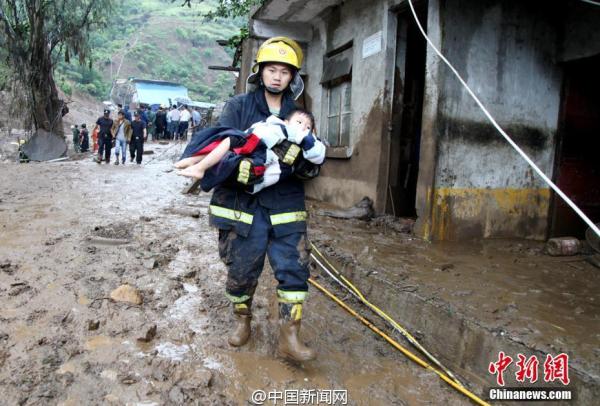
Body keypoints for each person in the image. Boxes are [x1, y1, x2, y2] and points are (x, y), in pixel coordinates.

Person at [204, 37, 323, 362]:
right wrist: (240, 169)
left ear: (292, 77)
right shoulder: (239, 106)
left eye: (284, 71)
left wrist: (299, 162)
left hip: (286, 205)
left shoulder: (299, 113)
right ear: (260, 72)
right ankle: (243, 322)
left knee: (294, 269)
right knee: (241, 271)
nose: (277, 76)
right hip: (242, 206)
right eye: (272, 69)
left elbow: (312, 160)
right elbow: (219, 147)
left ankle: (290, 336)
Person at [176, 109, 324, 195]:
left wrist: (307, 139)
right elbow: (256, 132)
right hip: (254, 151)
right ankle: (194, 161)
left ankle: (198, 166)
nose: (303, 127)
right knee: (228, 142)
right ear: (286, 121)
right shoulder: (275, 125)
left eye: (308, 126)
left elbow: (318, 154)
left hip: (259, 166)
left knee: (232, 145)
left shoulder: (307, 139)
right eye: (299, 122)